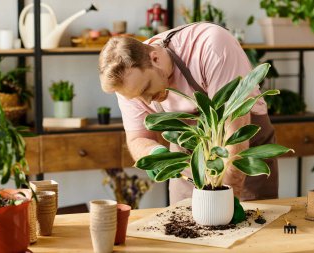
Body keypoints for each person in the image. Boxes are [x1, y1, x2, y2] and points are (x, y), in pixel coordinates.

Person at [99, 22, 278, 204]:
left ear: (155, 59)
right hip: (187, 155)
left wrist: (229, 200)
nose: (147, 101)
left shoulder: (211, 46)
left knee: (252, 225)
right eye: (136, 97)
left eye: (146, 89)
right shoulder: (129, 82)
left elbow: (235, 135)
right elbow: (137, 138)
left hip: (240, 148)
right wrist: (152, 153)